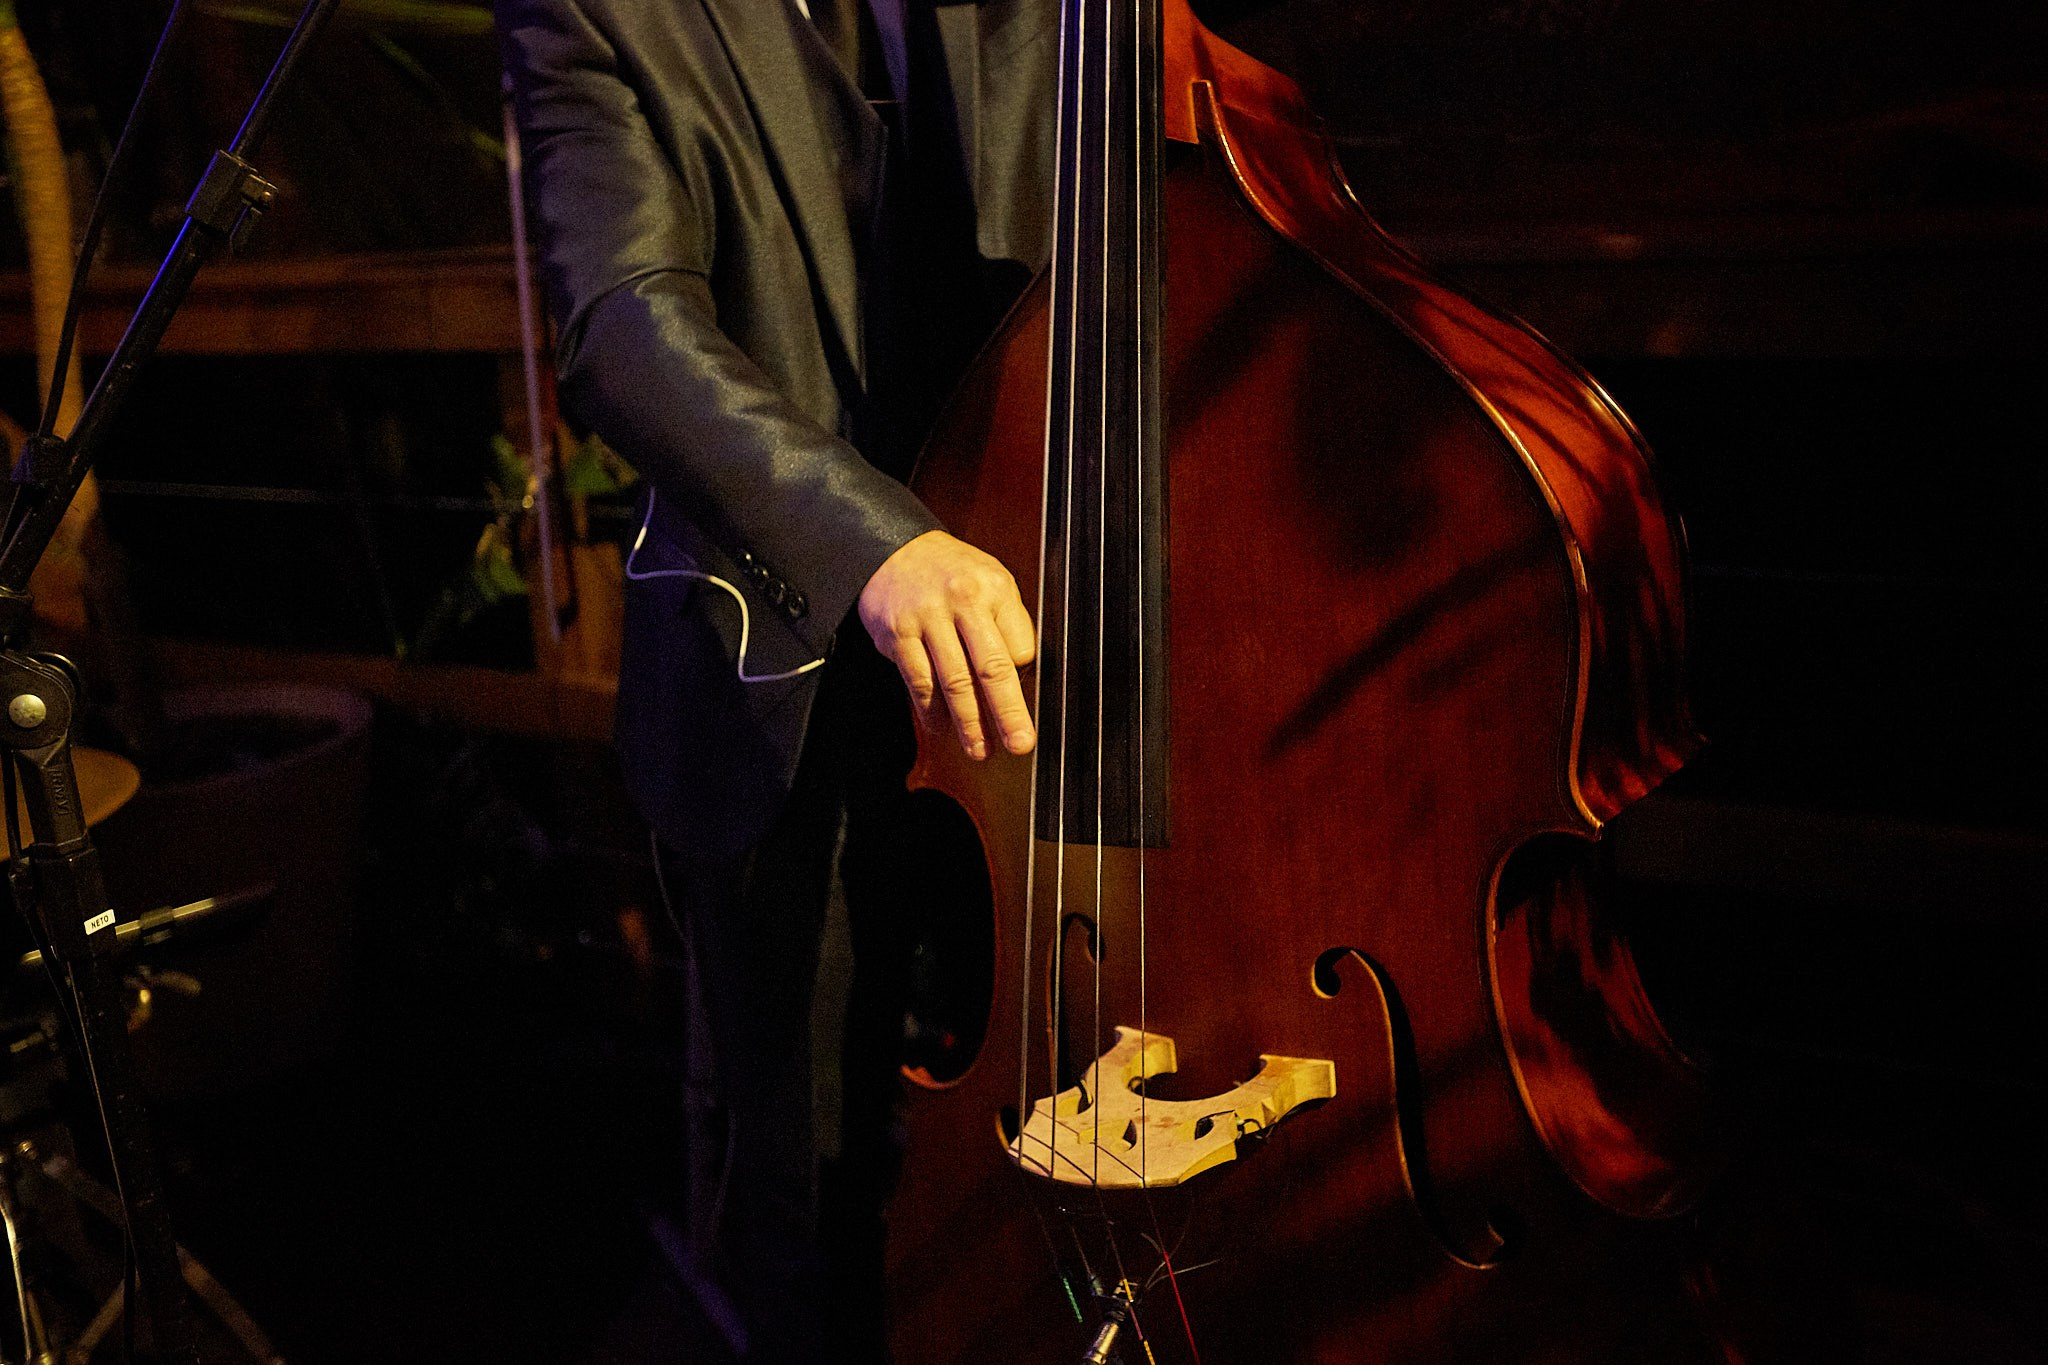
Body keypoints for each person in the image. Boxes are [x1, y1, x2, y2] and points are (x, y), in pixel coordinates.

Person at [497, 0, 1055, 1357]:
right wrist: (877, 540)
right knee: (808, 1190)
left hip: (1056, 629)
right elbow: (625, 319)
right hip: (783, 679)